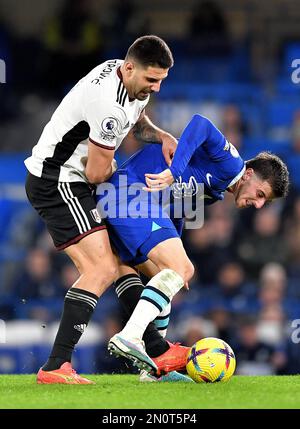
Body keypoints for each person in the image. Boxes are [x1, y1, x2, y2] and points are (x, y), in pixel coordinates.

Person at [24, 35, 177, 384]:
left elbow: (136, 122)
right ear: (129, 68)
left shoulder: (126, 80)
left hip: (77, 181)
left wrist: (162, 135)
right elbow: (96, 172)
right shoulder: (106, 102)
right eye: (151, 80)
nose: (155, 88)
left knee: (122, 259)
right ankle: (55, 366)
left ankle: (156, 350)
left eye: (161, 81)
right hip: (59, 181)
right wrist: (131, 187)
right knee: (103, 266)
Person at [95, 114, 289, 377]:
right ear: (250, 174)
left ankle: (155, 367)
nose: (258, 204)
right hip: (129, 194)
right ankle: (130, 335)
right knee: (181, 269)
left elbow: (176, 211)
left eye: (264, 202)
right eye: (260, 194)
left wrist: (176, 260)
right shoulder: (232, 165)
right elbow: (201, 124)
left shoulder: (217, 190)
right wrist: (173, 173)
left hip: (131, 202)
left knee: (167, 279)